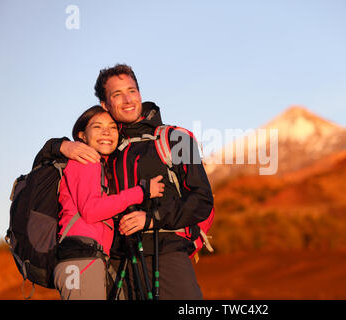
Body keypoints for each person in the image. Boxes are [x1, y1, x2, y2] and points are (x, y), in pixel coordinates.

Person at [35, 64, 214, 300]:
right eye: (117, 94)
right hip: (116, 261)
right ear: (105, 105)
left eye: (132, 91)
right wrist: (60, 145)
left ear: (140, 93)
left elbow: (202, 199)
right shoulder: (103, 145)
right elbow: (42, 164)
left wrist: (152, 219)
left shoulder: (178, 138)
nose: (127, 99)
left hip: (167, 252)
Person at [53, 105, 164, 300]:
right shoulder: (86, 160)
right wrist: (141, 192)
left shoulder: (100, 166)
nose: (106, 132)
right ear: (82, 136)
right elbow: (91, 210)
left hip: (86, 258)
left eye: (112, 127)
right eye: (97, 126)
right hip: (80, 259)